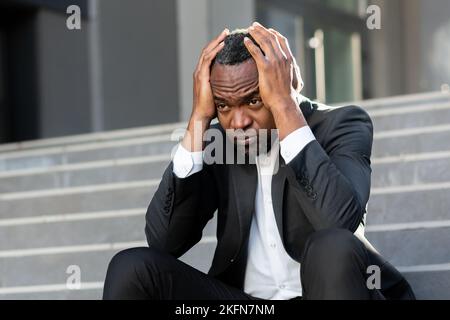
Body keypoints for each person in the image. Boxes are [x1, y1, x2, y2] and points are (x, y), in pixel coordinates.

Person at [103, 22, 415, 300]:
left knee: (331, 246)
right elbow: (163, 242)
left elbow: (338, 222)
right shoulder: (219, 143)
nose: (238, 122)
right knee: (132, 268)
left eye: (253, 100)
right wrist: (199, 117)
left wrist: (283, 105)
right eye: (224, 105)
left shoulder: (342, 124)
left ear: (281, 84)